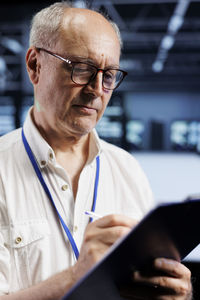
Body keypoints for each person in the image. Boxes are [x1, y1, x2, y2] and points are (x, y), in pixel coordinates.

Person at [0, 1, 192, 299]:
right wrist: (77, 277)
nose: (96, 89)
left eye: (109, 74)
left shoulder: (128, 170)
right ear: (35, 65)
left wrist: (174, 292)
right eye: (81, 68)